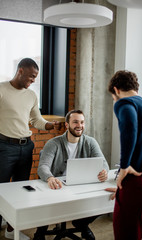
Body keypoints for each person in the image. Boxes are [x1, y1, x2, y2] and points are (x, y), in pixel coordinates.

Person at [0, 58, 59, 240]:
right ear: (20, 71)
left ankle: (11, 230)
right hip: (4, 147)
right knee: (0, 188)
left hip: (26, 147)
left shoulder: (31, 95)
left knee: (20, 190)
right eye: (32, 76)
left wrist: (51, 125)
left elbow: (36, 120)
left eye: (35, 78)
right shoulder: (1, 89)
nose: (34, 80)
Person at [33, 109, 109, 240]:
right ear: (67, 125)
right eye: (75, 122)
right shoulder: (53, 143)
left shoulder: (90, 142)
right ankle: (40, 231)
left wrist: (104, 172)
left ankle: (82, 224)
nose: (79, 125)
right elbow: (43, 167)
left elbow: (104, 164)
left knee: (103, 199)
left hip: (80, 186)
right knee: (44, 204)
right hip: (57, 187)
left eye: (82, 122)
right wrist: (50, 178)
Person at [107, 70, 142, 240]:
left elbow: (129, 127)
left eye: (113, 96)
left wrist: (124, 166)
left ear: (116, 89)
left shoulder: (124, 103)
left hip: (136, 185)